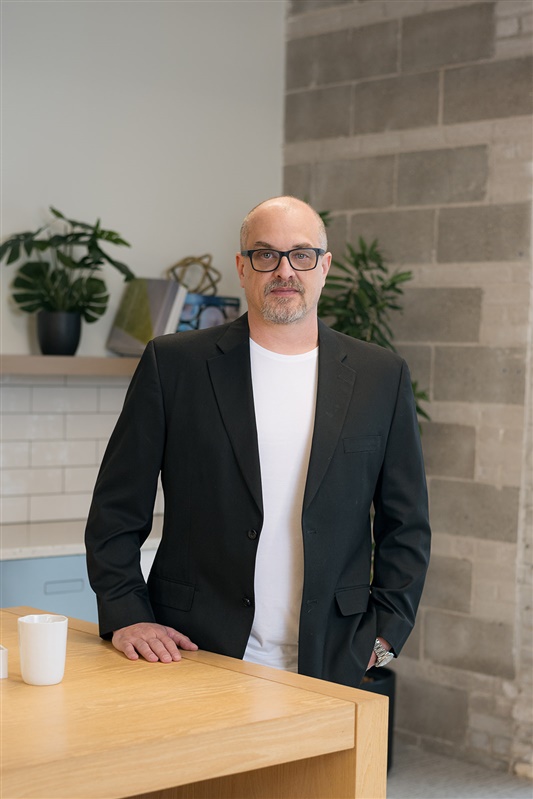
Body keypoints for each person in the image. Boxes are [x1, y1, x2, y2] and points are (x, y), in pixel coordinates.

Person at [85, 196, 431, 688]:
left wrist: (387, 631)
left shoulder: (381, 376)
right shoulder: (174, 365)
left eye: (301, 255)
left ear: (324, 267)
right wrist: (126, 613)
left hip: (332, 656)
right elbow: (116, 509)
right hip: (192, 650)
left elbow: (407, 522)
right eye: (266, 254)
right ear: (242, 267)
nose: (285, 270)